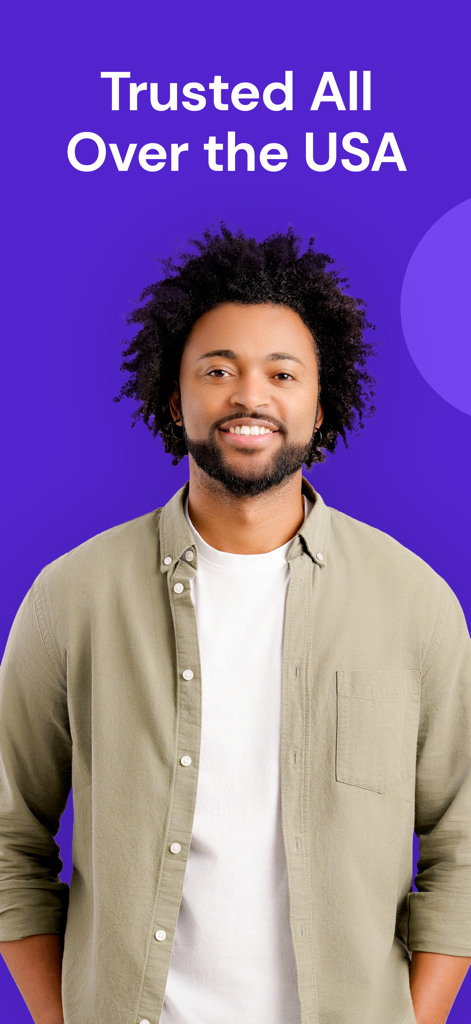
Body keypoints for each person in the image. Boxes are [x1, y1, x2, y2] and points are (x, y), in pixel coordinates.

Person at [0, 225, 470, 1024]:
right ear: (173, 396)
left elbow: (461, 847)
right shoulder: (72, 596)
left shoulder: (414, 603)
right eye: (217, 370)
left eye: (281, 373)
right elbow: (11, 839)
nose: (249, 396)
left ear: (320, 403)